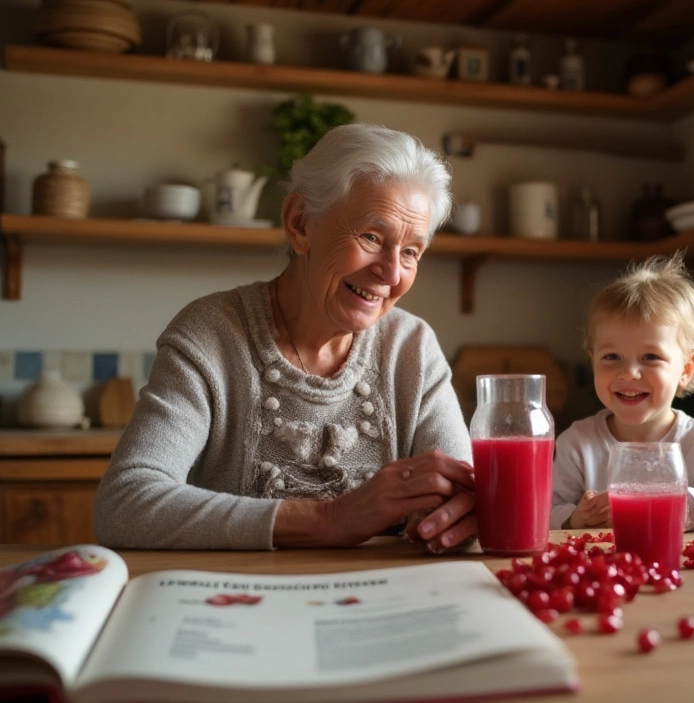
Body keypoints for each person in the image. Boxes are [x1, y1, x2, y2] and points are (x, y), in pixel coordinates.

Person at [95, 123, 476, 553]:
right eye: (372, 237)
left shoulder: (412, 348)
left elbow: (463, 500)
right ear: (300, 224)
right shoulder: (212, 334)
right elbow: (125, 502)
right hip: (237, 604)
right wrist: (330, 519)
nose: (391, 274)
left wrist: (455, 516)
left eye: (410, 252)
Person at [551, 253, 694, 531]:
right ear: (592, 361)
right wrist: (575, 518)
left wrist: (678, 506)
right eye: (612, 357)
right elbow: (543, 512)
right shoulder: (576, 444)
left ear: (686, 369)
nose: (628, 373)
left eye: (650, 357)